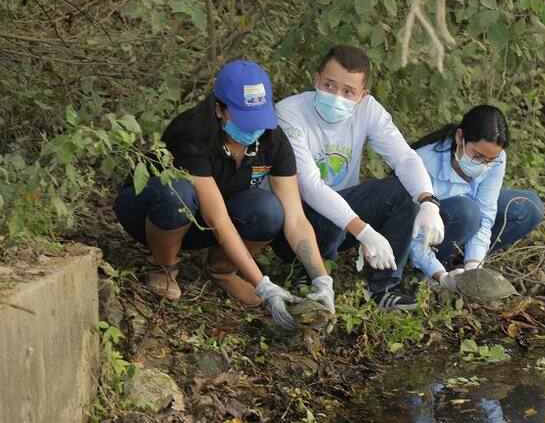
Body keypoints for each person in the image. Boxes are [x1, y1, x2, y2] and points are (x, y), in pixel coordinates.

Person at [114, 60, 333, 330]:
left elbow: (296, 218)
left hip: (202, 224)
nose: (253, 130)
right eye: (244, 120)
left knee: (270, 210)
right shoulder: (194, 135)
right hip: (150, 213)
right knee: (178, 193)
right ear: (219, 109)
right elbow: (217, 217)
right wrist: (264, 285)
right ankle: (163, 265)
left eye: (258, 121)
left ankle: (221, 270)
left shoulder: (272, 139)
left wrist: (322, 280)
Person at [272, 45, 445, 310]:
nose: (336, 96)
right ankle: (309, 277)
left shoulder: (368, 110)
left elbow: (404, 158)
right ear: (316, 79)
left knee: (402, 193)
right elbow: (309, 185)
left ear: (362, 96)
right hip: (296, 224)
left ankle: (385, 287)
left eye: (348, 91)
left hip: (344, 219)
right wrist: (364, 231)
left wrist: (428, 201)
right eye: (329, 85)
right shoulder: (289, 113)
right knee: (328, 209)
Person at [408, 105, 544, 292]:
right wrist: (439, 275)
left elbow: (486, 211)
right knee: (467, 211)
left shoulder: (496, 157)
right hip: (426, 234)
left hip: (466, 219)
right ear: (459, 138)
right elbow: (411, 235)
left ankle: (461, 265)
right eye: (478, 156)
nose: (484, 164)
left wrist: (474, 263)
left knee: (527, 207)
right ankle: (428, 270)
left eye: (490, 160)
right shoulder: (422, 163)